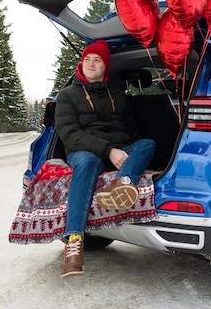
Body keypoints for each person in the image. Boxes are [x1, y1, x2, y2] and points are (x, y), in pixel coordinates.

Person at [54, 39, 156, 278]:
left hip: (119, 149)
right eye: (87, 58)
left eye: (97, 60)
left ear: (105, 66)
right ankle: (75, 243)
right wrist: (109, 150)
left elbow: (132, 131)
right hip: (85, 149)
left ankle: (121, 185)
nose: (90, 63)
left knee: (148, 144)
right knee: (87, 163)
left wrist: (132, 157)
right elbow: (70, 134)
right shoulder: (68, 95)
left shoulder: (117, 94)